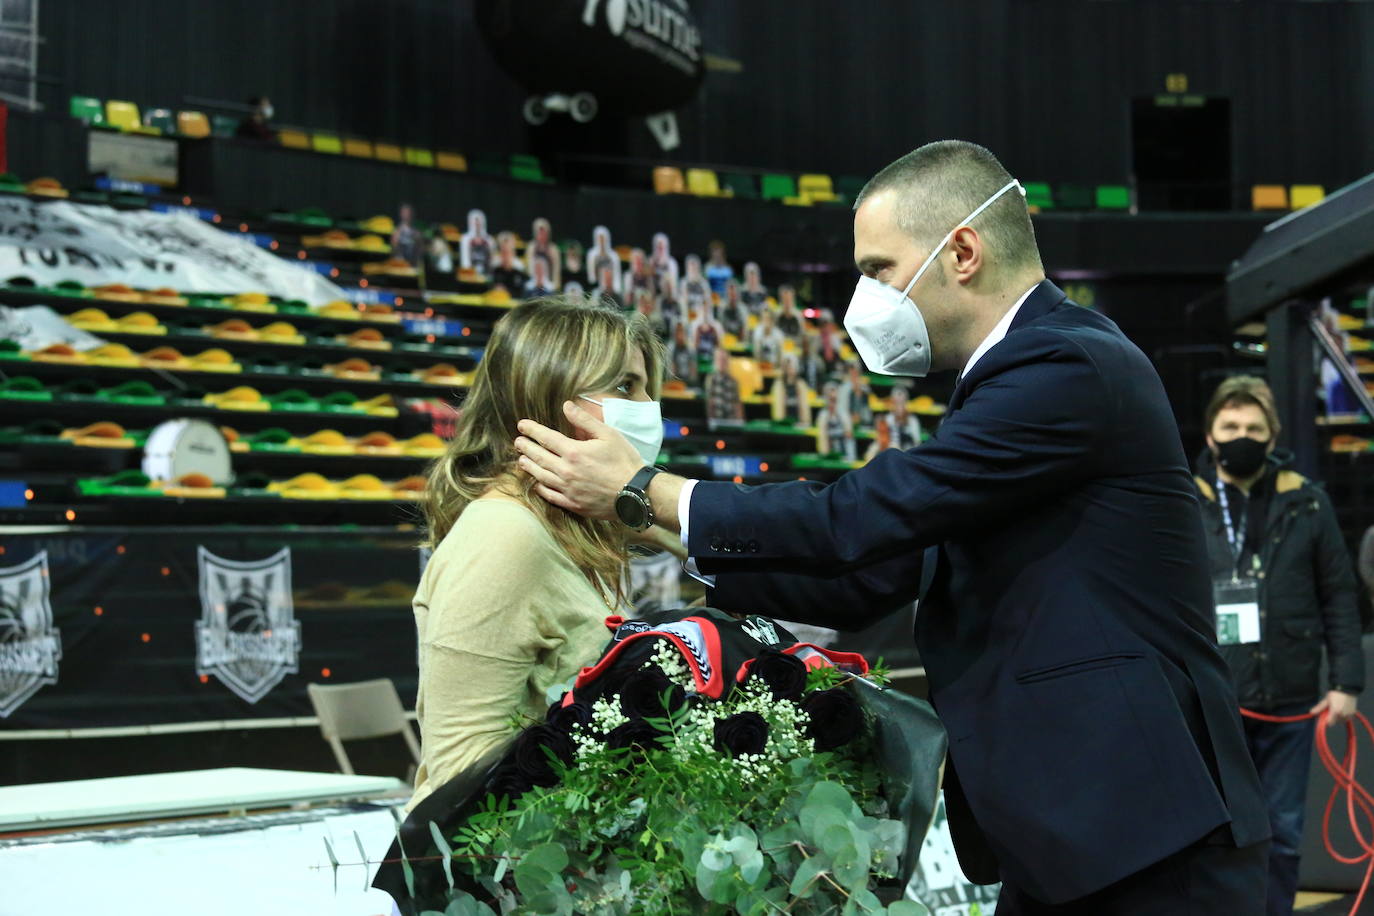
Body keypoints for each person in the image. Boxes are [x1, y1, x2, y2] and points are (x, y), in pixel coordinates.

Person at [513, 140, 1270, 913]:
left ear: (963, 251)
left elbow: (861, 517)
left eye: (877, 268)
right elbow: (872, 573)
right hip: (1084, 831)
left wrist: (647, 487)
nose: (864, 295)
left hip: (1142, 830)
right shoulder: (1011, 383)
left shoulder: (1067, 367)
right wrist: (650, 524)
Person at [410, 296, 669, 810]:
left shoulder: (562, 531)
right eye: (623, 386)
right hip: (507, 874)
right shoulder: (504, 536)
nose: (646, 408)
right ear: (549, 395)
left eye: (644, 387)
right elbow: (460, 773)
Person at [1194, 375, 1363, 916]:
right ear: (1211, 433)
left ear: (1273, 436)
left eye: (1253, 427)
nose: (1241, 435)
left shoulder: (1307, 502)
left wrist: (1346, 681)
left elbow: (1338, 594)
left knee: (1284, 830)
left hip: (1291, 698)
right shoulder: (1182, 499)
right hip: (1212, 698)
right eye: (1231, 426)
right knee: (1214, 830)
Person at [867, 385, 922, 458]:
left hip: (905, 450)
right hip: (889, 448)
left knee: (895, 447)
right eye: (897, 403)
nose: (899, 406)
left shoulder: (912, 420)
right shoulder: (888, 418)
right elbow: (881, 438)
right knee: (873, 448)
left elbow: (916, 441)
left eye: (901, 403)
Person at [704, 345, 744, 426]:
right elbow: (709, 403)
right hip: (716, 421)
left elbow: (738, 404)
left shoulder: (734, 381)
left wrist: (740, 422)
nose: (722, 362)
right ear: (715, 361)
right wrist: (711, 421)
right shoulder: (711, 379)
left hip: (731, 421)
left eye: (724, 360)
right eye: (719, 360)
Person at [815, 381, 855, 461]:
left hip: (843, 455)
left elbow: (849, 436)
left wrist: (851, 457)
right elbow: (821, 436)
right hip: (828, 454)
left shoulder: (844, 414)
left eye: (834, 400)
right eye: (830, 399)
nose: (832, 403)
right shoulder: (822, 415)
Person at [770, 354, 812, 427]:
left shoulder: (801, 384)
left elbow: (805, 409)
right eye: (787, 367)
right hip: (783, 424)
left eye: (791, 366)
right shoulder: (778, 385)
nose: (789, 369)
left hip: (798, 423)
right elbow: (777, 411)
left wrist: (804, 421)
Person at [525, 218, 562, 290]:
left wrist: (555, 286)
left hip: (549, 284)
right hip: (535, 283)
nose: (542, 235)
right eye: (539, 232)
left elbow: (556, 272)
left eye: (544, 232)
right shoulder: (531, 247)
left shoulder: (553, 249)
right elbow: (529, 270)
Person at [839, 358, 874, 429]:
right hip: (846, 423)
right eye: (851, 370)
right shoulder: (843, 388)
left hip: (863, 422)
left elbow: (868, 407)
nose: (854, 373)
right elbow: (841, 409)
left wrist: (859, 390)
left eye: (856, 370)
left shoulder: (864, 387)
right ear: (848, 372)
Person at [460, 209, 495, 277]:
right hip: (470, 275)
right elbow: (465, 261)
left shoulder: (490, 240)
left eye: (479, 221)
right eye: (475, 221)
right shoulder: (465, 239)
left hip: (486, 274)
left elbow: (491, 261)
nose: (477, 224)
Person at [587, 226, 621, 290]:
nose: (601, 241)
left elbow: (617, 275)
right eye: (599, 239)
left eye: (603, 239)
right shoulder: (592, 255)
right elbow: (591, 276)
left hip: (611, 288)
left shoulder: (613, 256)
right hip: (596, 288)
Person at [678, 254, 711, 319]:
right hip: (687, 315)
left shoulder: (704, 283)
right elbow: (683, 302)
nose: (693, 268)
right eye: (691, 266)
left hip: (702, 315)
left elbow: (708, 301)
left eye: (695, 266)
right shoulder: (683, 282)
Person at [650, 232, 680, 297]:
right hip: (654, 295)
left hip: (667, 296)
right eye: (658, 246)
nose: (660, 248)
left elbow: (673, 284)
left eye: (662, 246)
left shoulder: (672, 263)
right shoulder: (651, 261)